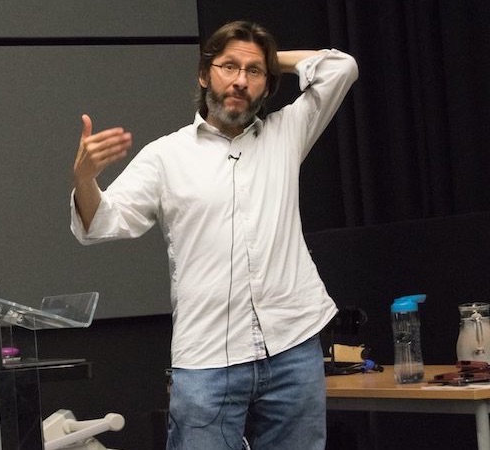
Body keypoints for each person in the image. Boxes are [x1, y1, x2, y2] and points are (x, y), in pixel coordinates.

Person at [69, 20, 358, 450]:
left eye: (253, 73)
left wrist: (264, 59)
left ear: (266, 85)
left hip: (293, 346)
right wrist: (84, 177)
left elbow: (342, 67)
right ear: (204, 74)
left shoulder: (287, 134)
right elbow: (100, 223)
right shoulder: (166, 156)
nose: (240, 81)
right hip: (208, 359)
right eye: (227, 67)